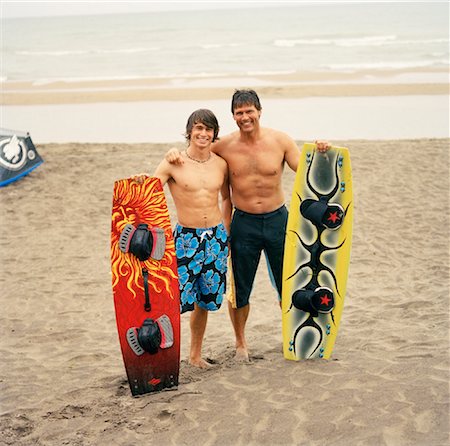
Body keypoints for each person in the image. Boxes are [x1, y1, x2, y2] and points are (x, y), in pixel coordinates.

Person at [165, 90, 330, 362]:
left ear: (259, 111)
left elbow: (306, 170)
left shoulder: (281, 141)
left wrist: (321, 150)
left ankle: (294, 334)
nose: (245, 117)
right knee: (240, 290)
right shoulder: (224, 146)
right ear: (233, 116)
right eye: (239, 113)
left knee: (288, 282)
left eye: (249, 111)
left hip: (278, 220)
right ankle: (241, 343)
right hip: (243, 224)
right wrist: (174, 152)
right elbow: (195, 153)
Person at [136, 109, 230, 369]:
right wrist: (141, 180)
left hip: (215, 239)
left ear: (214, 133)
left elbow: (227, 199)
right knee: (172, 300)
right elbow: (150, 193)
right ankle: (165, 354)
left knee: (204, 301)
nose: (203, 133)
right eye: (198, 128)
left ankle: (195, 355)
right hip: (185, 238)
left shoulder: (221, 164)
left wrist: (227, 234)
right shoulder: (173, 162)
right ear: (189, 131)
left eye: (208, 129)